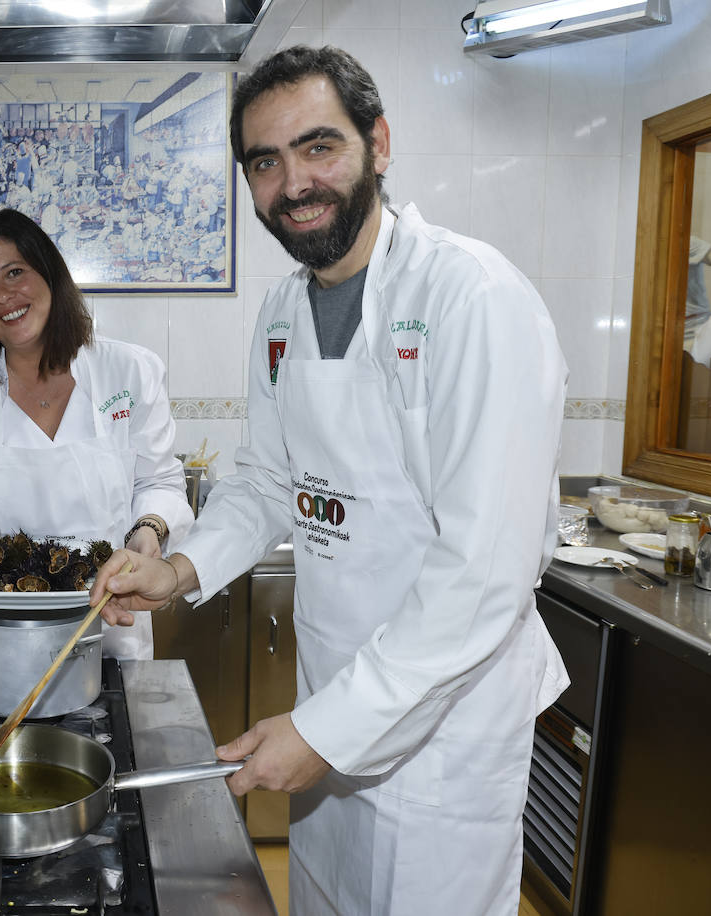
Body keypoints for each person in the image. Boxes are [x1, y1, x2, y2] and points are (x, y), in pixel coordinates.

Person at [89, 45, 570, 914]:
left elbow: (483, 576)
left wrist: (326, 731)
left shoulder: (473, 299)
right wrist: (178, 569)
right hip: (332, 695)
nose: (293, 184)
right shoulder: (281, 314)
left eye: (319, 147)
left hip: (442, 730)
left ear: (378, 143)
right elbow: (268, 482)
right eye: (265, 163)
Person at [0, 208, 193, 661]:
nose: (4, 296)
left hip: (107, 625)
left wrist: (149, 529)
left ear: (49, 273)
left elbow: (159, 483)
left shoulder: (130, 373)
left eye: (15, 273)